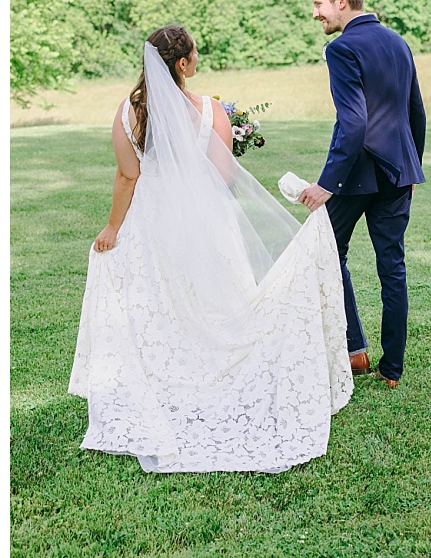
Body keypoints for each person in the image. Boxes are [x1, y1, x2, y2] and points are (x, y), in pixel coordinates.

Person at [70, 25, 353, 473]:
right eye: (194, 54)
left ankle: (168, 385)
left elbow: (128, 176)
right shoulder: (210, 110)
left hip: (151, 223)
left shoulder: (128, 113)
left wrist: (111, 228)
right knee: (222, 302)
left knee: (159, 306)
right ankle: (221, 378)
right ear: (181, 65)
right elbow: (225, 176)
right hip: (209, 223)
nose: (198, 59)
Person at [298, 0, 426, 389]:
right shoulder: (398, 42)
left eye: (318, 4)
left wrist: (326, 184)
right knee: (393, 267)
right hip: (397, 173)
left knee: (328, 251)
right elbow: (416, 112)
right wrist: (410, 167)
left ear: (340, 1)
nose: (315, 14)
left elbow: (353, 123)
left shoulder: (341, 48)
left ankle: (354, 350)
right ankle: (392, 369)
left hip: (356, 176)